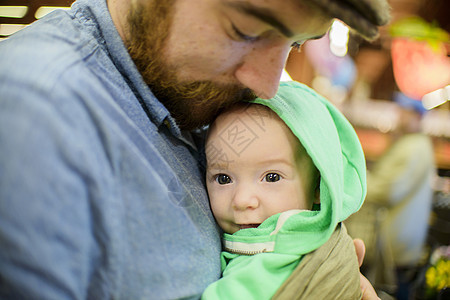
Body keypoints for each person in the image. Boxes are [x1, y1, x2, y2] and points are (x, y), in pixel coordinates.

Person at [0, 0, 390, 298]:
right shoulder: (35, 118)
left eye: (296, 43)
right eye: (246, 30)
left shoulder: (192, 92)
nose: (268, 85)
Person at [202, 81, 366, 299]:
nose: (242, 200)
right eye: (223, 178)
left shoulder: (272, 261)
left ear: (319, 186)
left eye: (272, 177)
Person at [345, 95, 436, 299]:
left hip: (396, 239)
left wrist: (355, 179)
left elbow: (389, 191)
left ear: (417, 117)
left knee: (393, 290)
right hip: (403, 237)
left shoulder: (413, 147)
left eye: (405, 112)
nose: (399, 116)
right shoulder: (415, 143)